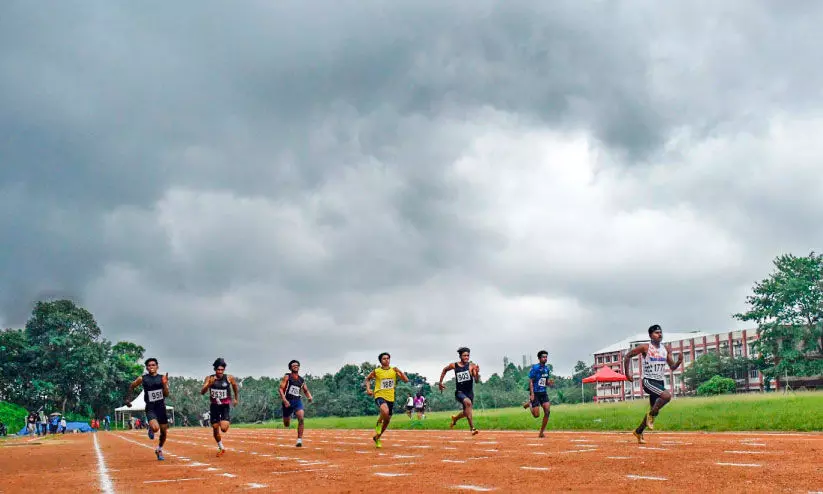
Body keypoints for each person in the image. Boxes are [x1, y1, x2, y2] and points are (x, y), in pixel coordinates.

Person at [623, 324, 683, 444]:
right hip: (648, 381)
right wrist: (627, 373)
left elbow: (672, 367)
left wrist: (679, 361)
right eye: (656, 332)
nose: (659, 334)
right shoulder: (645, 347)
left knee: (655, 409)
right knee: (666, 396)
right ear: (650, 335)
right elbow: (628, 355)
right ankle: (650, 415)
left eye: (660, 332)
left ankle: (638, 431)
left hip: (659, 381)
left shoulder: (664, 349)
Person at [125, 357, 170, 460]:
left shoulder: (162, 378)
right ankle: (151, 428)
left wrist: (165, 384)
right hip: (150, 407)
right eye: (149, 365)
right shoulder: (143, 378)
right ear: (146, 367)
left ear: (157, 367)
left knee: (163, 433)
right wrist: (128, 399)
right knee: (155, 428)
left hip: (161, 408)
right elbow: (132, 386)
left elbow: (166, 394)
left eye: (153, 365)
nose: (151, 367)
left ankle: (159, 449)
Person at [364, 352, 409, 448]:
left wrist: (399, 371)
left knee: (387, 420)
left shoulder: (393, 370)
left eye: (388, 358)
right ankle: (379, 422)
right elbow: (367, 379)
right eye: (384, 358)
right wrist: (368, 389)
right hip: (379, 395)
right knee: (385, 411)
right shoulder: (377, 371)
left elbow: (406, 380)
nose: (386, 360)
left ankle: (377, 437)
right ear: (380, 361)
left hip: (390, 397)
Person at [437, 347, 481, 435]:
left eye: (468, 356)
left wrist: (477, 373)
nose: (466, 357)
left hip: (469, 392)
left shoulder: (471, 366)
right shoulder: (454, 365)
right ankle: (472, 428)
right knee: (468, 403)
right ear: (460, 356)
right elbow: (444, 370)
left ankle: (455, 419)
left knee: (466, 412)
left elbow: (476, 381)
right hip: (460, 392)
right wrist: (440, 382)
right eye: (464, 355)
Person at [200, 357, 239, 457]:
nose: (220, 372)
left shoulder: (229, 378)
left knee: (224, 428)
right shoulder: (209, 378)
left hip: (225, 406)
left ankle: (224, 421)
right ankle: (221, 447)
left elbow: (235, 387)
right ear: (215, 369)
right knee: (215, 428)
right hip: (214, 406)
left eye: (222, 370)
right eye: (218, 370)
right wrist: (209, 384)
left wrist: (235, 398)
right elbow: (202, 392)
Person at [278, 359, 314, 447]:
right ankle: (288, 416)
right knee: (286, 424)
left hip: (297, 401)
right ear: (290, 368)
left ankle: (299, 440)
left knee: (301, 418)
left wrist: (309, 396)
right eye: (294, 366)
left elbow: (306, 390)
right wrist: (285, 400)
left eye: (297, 365)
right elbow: (280, 389)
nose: (296, 367)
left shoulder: (301, 380)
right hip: (287, 401)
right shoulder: (287, 377)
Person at [522, 350, 554, 437]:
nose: (545, 358)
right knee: (536, 415)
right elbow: (531, 381)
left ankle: (541, 432)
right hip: (535, 393)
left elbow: (545, 382)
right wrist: (532, 394)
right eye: (543, 357)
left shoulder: (547, 369)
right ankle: (530, 404)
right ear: (539, 358)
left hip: (543, 393)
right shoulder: (535, 368)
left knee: (547, 411)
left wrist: (550, 384)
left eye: (546, 357)